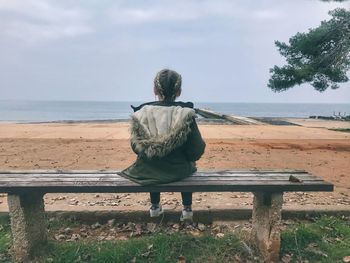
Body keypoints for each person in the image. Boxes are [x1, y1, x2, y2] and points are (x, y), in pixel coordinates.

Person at [120, 69, 206, 221]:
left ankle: (155, 207)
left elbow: (136, 147)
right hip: (179, 171)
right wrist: (186, 156)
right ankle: (187, 210)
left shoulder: (142, 113)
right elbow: (196, 150)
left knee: (153, 164)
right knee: (188, 164)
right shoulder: (185, 114)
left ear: (154, 89)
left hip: (147, 171)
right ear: (178, 91)